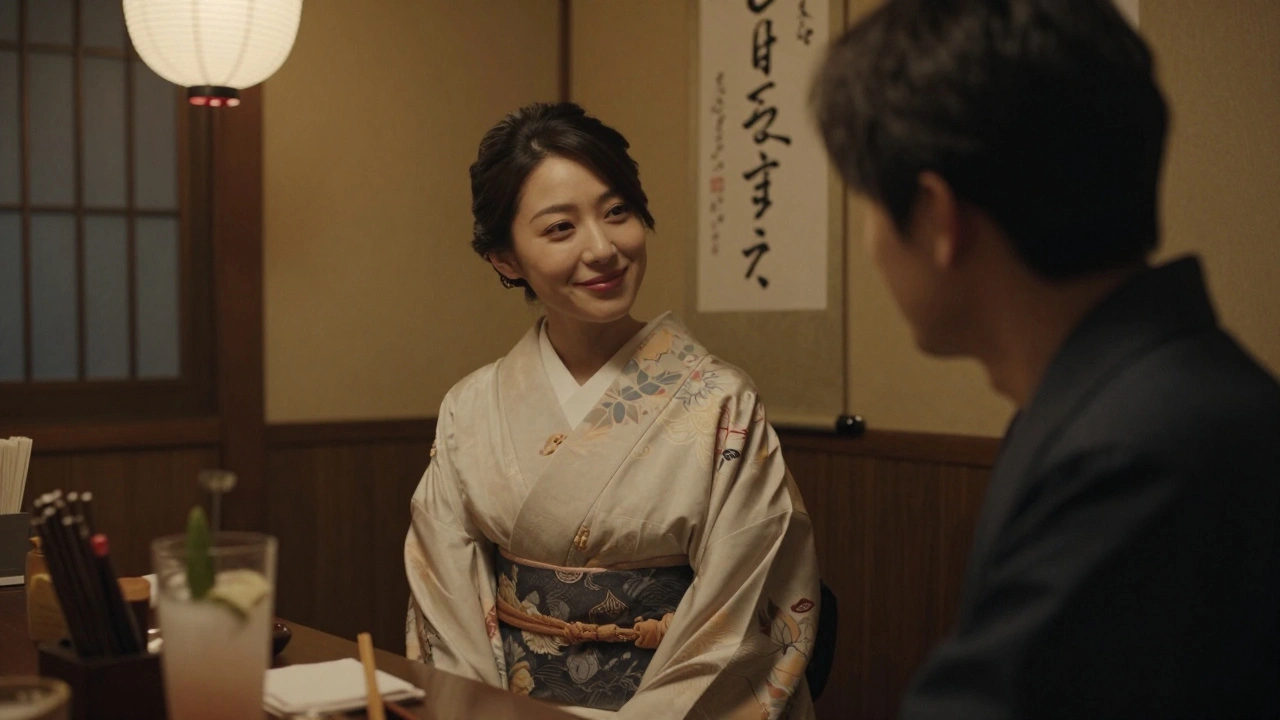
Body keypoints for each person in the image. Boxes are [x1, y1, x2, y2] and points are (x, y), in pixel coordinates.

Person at [811, 0, 1280, 718]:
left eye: (869, 201)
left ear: (939, 218)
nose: (872, 240)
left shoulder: (1142, 451)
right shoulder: (1132, 396)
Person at [404, 102, 821, 720]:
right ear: (505, 259)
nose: (603, 248)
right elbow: (445, 599)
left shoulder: (721, 403)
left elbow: (743, 610)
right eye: (559, 228)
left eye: (617, 212)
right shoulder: (471, 407)